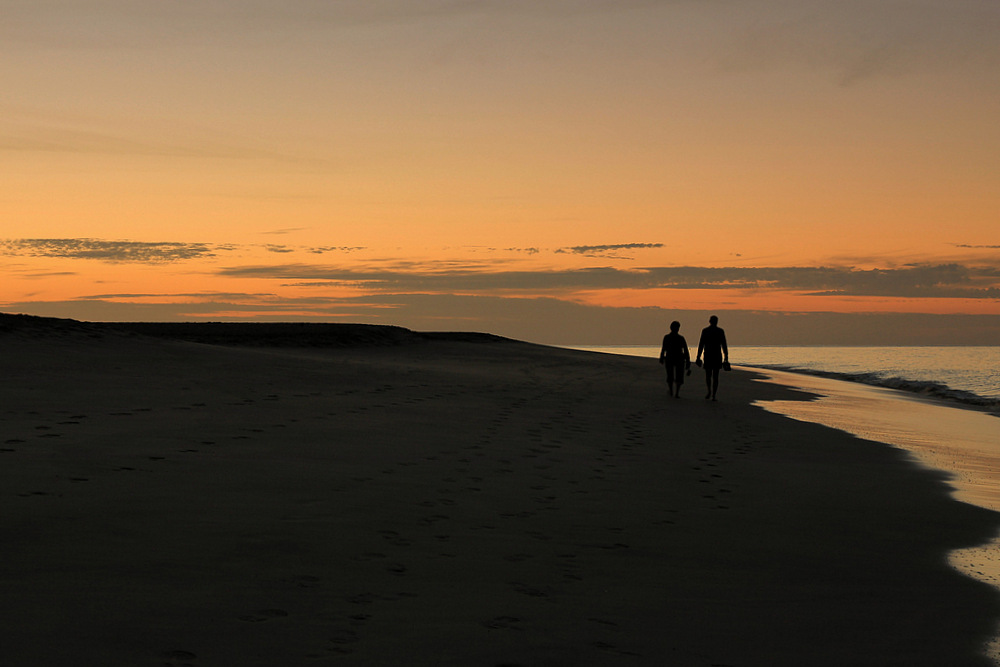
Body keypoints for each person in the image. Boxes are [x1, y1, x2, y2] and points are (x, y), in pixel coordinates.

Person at [696, 315, 729, 401]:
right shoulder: (719, 331)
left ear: (709, 321)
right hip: (716, 355)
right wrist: (726, 356)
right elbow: (724, 345)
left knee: (709, 375)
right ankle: (713, 394)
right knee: (715, 376)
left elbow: (701, 344)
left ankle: (710, 391)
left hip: (709, 355)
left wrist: (698, 356)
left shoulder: (706, 331)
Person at [658, 320, 691, 398]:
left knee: (671, 375)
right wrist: (688, 361)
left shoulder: (667, 337)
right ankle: (676, 392)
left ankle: (672, 391)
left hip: (671, 357)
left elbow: (664, 349)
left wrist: (662, 357)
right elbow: (685, 350)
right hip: (678, 358)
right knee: (678, 375)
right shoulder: (680, 338)